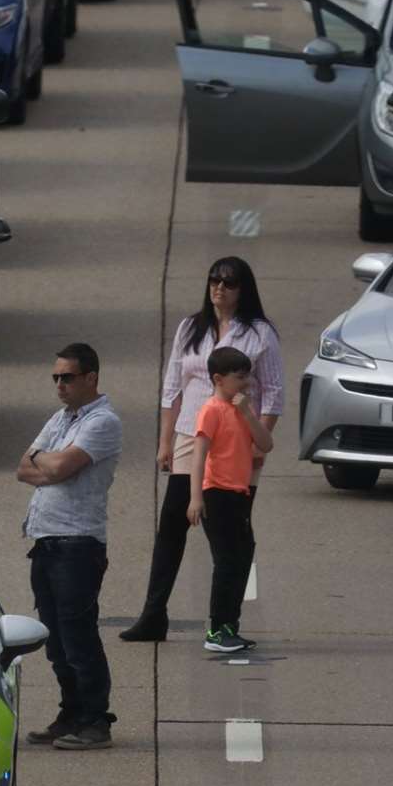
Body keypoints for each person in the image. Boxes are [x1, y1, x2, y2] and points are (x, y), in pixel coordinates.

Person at [123, 257, 281, 642]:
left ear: (243, 290)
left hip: (237, 443)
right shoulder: (190, 327)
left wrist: (260, 439)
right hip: (190, 435)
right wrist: (165, 441)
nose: (219, 289)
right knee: (172, 527)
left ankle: (226, 619)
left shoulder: (259, 333)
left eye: (228, 283)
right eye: (214, 281)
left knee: (231, 534)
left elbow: (274, 392)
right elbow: (172, 386)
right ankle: (153, 614)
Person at [15, 343, 123, 751]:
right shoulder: (61, 419)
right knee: (55, 638)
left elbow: (56, 466)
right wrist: (49, 462)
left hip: (78, 543)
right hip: (45, 539)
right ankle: (71, 711)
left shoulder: (103, 422)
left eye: (68, 377)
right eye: (56, 377)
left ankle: (96, 719)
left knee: (79, 636)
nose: (60, 384)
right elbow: (23, 469)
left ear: (91, 378)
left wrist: (48, 461)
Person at [188, 347, 275, 653]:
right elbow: (198, 456)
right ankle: (216, 629)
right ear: (218, 379)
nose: (245, 383)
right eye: (239, 377)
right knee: (226, 562)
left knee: (242, 558)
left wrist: (248, 413)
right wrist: (195, 498)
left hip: (239, 494)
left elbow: (266, 444)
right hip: (216, 493)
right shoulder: (211, 410)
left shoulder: (241, 410)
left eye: (247, 376)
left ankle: (230, 625)